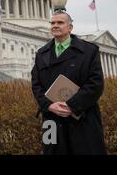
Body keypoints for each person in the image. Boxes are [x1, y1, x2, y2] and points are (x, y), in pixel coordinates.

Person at [31, 11, 106, 155]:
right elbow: (36, 84)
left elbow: (95, 84)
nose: (55, 26)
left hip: (82, 117)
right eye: (52, 23)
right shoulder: (41, 53)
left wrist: (71, 105)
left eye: (60, 23)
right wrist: (49, 105)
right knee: (51, 151)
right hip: (50, 120)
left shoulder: (89, 51)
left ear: (70, 27)